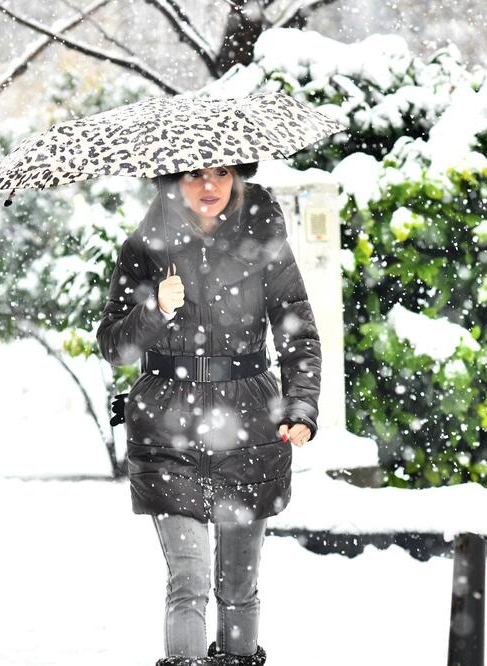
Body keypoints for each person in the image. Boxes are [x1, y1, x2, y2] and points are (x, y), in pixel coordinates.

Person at [95, 162, 322, 666]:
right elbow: (114, 345)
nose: (209, 185)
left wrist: (301, 405)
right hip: (166, 428)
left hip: (250, 424)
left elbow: (297, 332)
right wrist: (155, 307)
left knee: (239, 585)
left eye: (220, 172)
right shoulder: (144, 248)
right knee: (189, 580)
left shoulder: (264, 238)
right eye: (194, 174)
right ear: (171, 181)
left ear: (238, 177)